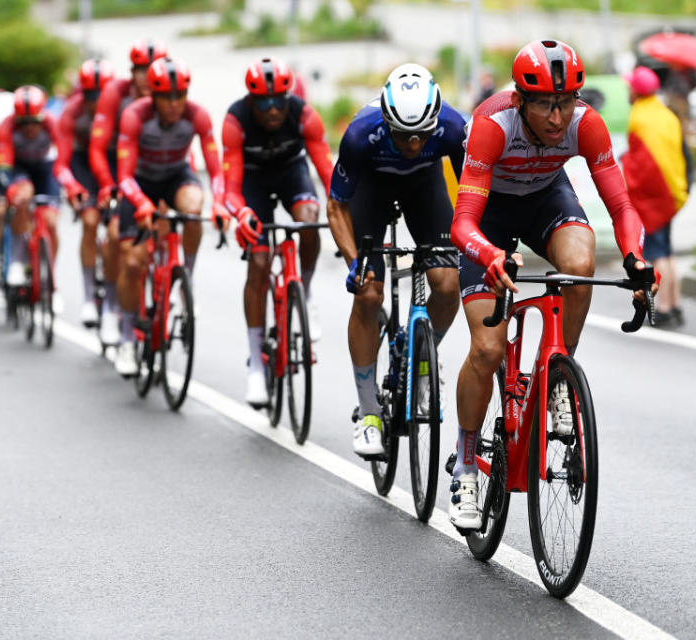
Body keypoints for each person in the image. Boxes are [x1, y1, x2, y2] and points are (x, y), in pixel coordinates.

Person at [448, 40, 657, 531]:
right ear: (521, 100)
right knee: (487, 350)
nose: (559, 117)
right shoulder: (491, 125)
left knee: (579, 261)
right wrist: (490, 255)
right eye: (545, 104)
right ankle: (464, 464)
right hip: (489, 216)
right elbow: (462, 224)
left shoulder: (586, 122)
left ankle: (559, 373)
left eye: (566, 102)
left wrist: (635, 258)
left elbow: (622, 208)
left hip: (545, 197)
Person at [326, 63, 465, 457]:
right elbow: (335, 207)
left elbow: (475, 191)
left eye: (422, 134)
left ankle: (424, 358)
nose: (414, 143)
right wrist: (356, 263)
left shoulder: (455, 128)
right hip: (373, 186)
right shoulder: (360, 134)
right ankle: (369, 412)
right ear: (388, 121)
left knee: (447, 283)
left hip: (425, 186)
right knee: (369, 293)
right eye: (404, 135)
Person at [222, 57, 334, 406]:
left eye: (279, 100)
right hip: (252, 181)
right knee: (257, 263)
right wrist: (240, 213)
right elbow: (230, 186)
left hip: (290, 172)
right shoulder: (235, 121)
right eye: (264, 102)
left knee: (309, 217)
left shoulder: (303, 115)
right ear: (251, 101)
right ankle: (256, 363)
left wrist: (344, 207)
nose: (272, 110)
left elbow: (326, 171)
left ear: (288, 97)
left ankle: (307, 290)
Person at [112, 57, 226, 377]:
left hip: (176, 175)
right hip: (140, 182)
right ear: (153, 96)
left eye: (180, 96)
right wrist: (141, 203)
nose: (174, 104)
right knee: (133, 263)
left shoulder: (198, 115)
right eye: (166, 97)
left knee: (194, 204)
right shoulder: (135, 116)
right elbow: (123, 176)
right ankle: (125, 339)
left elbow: (214, 168)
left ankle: (182, 282)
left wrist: (219, 203)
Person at [89, 38, 169, 346]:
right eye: (141, 70)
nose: (148, 75)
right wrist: (109, 186)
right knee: (114, 236)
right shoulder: (115, 95)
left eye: (153, 68)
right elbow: (97, 148)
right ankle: (111, 306)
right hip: (116, 164)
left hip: (153, 164)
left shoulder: (170, 96)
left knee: (166, 221)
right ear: (131, 72)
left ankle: (168, 284)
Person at [0, 85, 82, 303]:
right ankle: (16, 259)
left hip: (45, 168)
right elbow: (4, 164)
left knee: (51, 221)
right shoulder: (5, 127)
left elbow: (62, 161)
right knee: (24, 196)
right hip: (19, 168)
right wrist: (12, 189)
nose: (30, 128)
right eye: (23, 123)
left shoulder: (53, 123)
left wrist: (71, 187)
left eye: (34, 121)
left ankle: (51, 275)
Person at [622, 66, 690, 328]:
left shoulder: (640, 116)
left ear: (637, 91)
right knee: (668, 251)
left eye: (630, 87)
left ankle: (662, 308)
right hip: (670, 192)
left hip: (653, 195)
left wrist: (626, 164)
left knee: (657, 251)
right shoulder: (664, 114)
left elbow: (645, 163)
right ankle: (675, 304)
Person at [56, 58, 115, 326]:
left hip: (115, 160)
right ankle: (90, 297)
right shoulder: (72, 111)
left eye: (102, 93)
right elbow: (61, 161)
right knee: (90, 222)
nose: (97, 100)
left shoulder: (124, 108)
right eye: (91, 94)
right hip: (84, 164)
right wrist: (73, 187)